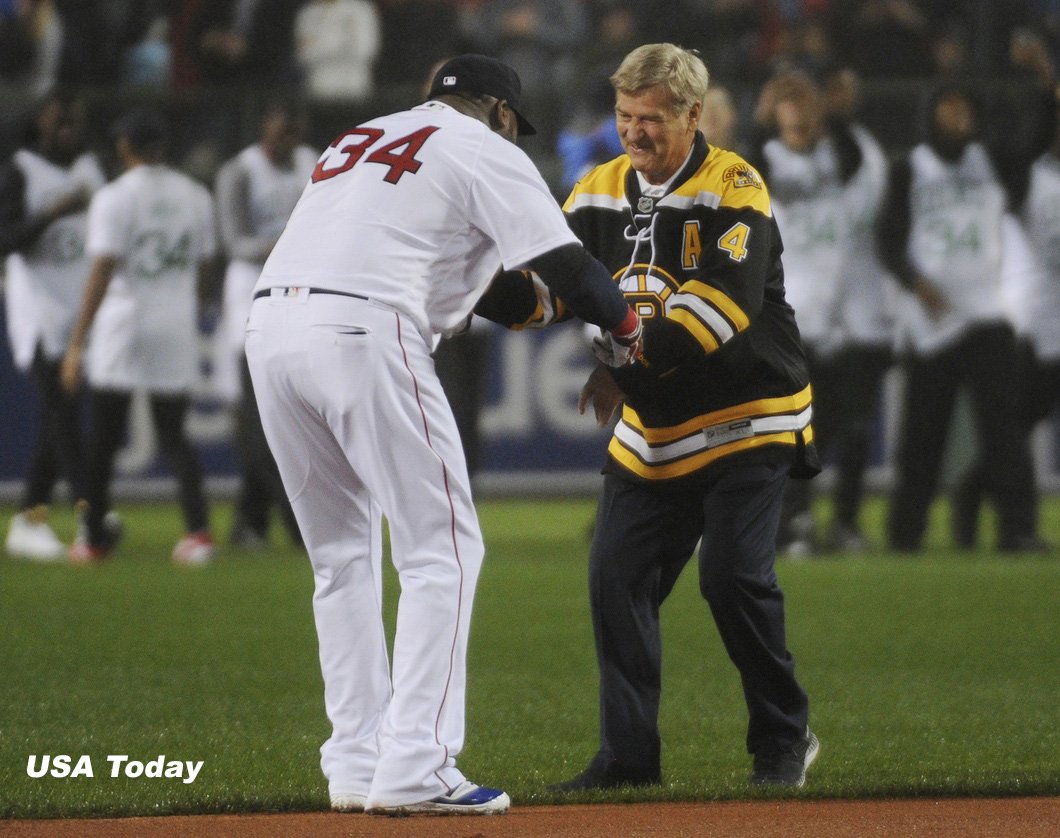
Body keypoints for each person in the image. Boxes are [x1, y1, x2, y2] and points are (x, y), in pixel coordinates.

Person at [243, 54, 641, 816]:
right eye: (511, 122)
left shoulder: (361, 139)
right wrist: (624, 329)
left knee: (339, 559)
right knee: (443, 548)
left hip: (271, 327)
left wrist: (564, 302)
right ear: (496, 109)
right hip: (364, 328)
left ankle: (356, 764)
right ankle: (419, 767)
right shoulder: (482, 147)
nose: (512, 134)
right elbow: (570, 267)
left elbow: (492, 287)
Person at [550, 43, 820, 790]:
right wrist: (492, 297)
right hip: (657, 426)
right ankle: (629, 760)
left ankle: (782, 738)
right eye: (624, 116)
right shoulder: (596, 189)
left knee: (731, 579)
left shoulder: (735, 182)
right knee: (616, 579)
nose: (634, 133)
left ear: (694, 116)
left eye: (652, 119)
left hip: (749, 413)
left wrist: (620, 361)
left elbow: (721, 308)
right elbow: (555, 285)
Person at [877, 83, 1040, 553]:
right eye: (948, 111)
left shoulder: (993, 162)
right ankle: (905, 535)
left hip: (988, 312)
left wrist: (1035, 86)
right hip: (932, 320)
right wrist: (914, 282)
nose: (958, 119)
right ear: (930, 117)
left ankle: (1018, 531)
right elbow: (888, 239)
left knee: (1006, 433)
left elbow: (1028, 145)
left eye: (965, 111)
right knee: (922, 435)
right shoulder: (909, 168)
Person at [60, 108, 219, 566]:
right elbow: (207, 265)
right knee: (174, 434)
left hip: (125, 322)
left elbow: (102, 270)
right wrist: (186, 300)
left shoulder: (114, 197)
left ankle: (92, 539)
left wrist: (77, 343)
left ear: (125, 146)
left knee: (105, 438)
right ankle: (199, 532)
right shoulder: (194, 194)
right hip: (174, 320)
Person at [751, 70, 864, 556]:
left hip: (833, 322)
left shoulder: (833, 158)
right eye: (787, 108)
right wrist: (769, 102)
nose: (796, 116)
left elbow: (855, 155)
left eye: (804, 108)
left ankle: (813, 521)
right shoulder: (764, 163)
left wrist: (826, 111)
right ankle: (791, 523)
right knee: (793, 430)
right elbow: (755, 147)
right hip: (786, 320)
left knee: (838, 425)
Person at [1, 90, 104, 561]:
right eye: (59, 121)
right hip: (39, 310)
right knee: (62, 418)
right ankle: (91, 512)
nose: (68, 130)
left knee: (56, 418)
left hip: (81, 312)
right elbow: (6, 239)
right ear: (41, 122)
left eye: (74, 122)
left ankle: (29, 518)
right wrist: (50, 214)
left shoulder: (88, 171)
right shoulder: (22, 170)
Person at [213, 101, 318, 549]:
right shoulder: (240, 172)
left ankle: (248, 525)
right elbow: (234, 242)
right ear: (265, 127)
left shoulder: (314, 163)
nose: (289, 138)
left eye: (295, 129)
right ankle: (300, 527)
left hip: (301, 298)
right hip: (251, 299)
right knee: (259, 424)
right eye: (282, 127)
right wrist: (289, 243)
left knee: (292, 418)